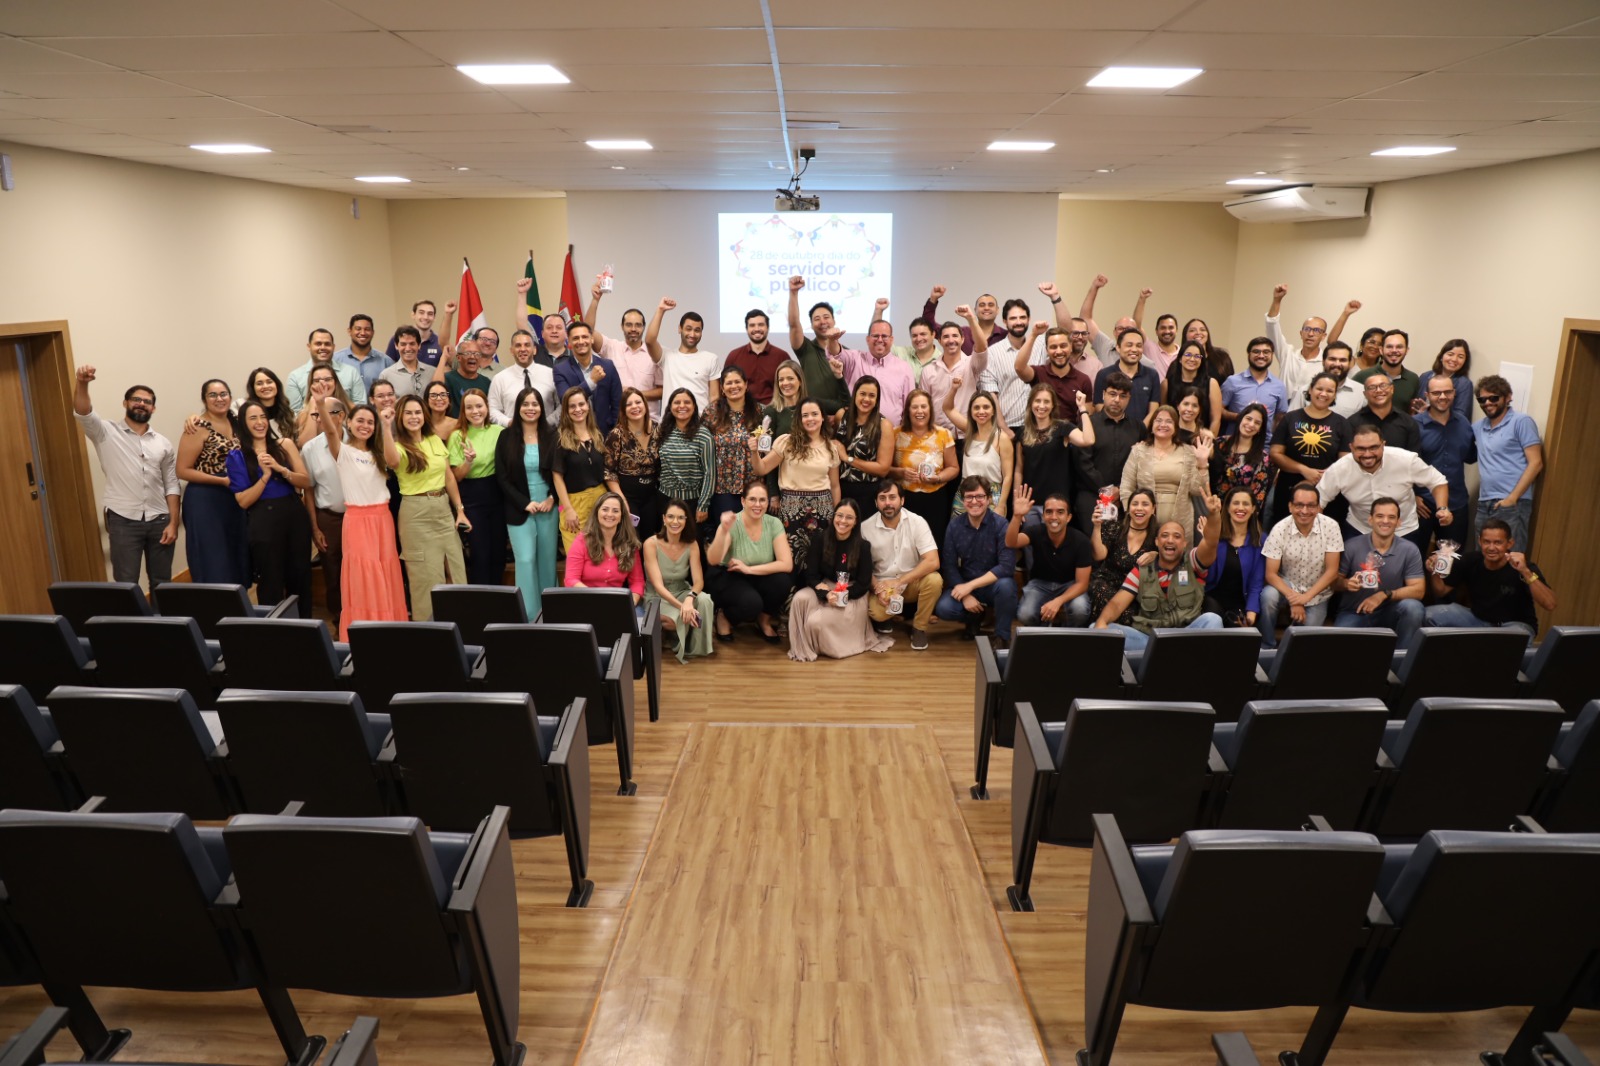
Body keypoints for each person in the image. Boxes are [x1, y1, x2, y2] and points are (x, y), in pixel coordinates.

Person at [73, 366, 180, 591]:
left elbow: (171, 485)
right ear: (125, 403)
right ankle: (132, 617)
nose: (141, 404)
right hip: (123, 521)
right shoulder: (105, 432)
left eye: (147, 401)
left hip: (160, 520)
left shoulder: (162, 443)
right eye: (136, 399)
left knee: (162, 583)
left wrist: (173, 522)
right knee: (126, 583)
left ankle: (161, 615)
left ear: (153, 408)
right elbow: (83, 412)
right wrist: (82, 383)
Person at [314, 394, 406, 639]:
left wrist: (386, 424)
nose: (365, 426)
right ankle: (365, 632)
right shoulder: (342, 451)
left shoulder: (379, 452)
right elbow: (330, 431)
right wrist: (320, 404)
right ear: (349, 423)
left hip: (382, 519)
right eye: (360, 421)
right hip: (357, 520)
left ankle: (389, 629)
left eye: (370, 422)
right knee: (364, 574)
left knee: (385, 571)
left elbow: (395, 461)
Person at [1092, 493, 1224, 653]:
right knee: (1096, 628)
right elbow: (1117, 604)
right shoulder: (1141, 571)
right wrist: (1102, 622)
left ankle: (1178, 658)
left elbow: (1210, 543)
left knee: (1213, 619)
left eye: (1177, 536)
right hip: (1149, 640)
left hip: (1186, 636)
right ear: (1156, 541)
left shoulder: (1192, 562)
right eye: (1164, 536)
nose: (1170, 540)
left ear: (1184, 543)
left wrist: (1214, 514)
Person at [384, 394, 469, 622]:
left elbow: (448, 476)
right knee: (425, 581)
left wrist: (459, 510)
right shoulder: (398, 446)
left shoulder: (434, 440)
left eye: (418, 412)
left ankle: (460, 628)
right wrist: (385, 426)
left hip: (443, 510)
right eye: (408, 413)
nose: (414, 417)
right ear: (400, 417)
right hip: (416, 515)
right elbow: (392, 461)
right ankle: (428, 633)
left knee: (457, 573)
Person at [227, 399, 313, 617]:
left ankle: (305, 627)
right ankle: (274, 629)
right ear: (243, 423)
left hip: (293, 514)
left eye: (263, 417)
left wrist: (281, 470)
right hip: (262, 520)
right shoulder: (237, 456)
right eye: (253, 418)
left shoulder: (284, 445)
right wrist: (265, 477)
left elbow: (305, 481)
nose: (260, 422)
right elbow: (243, 501)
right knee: (270, 579)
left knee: (300, 576)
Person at [785, 497, 893, 661]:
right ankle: (802, 648)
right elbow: (811, 574)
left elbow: (864, 584)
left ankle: (827, 647)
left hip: (852, 593)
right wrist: (825, 593)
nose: (843, 521)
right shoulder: (820, 539)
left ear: (855, 522)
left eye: (849, 517)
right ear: (834, 516)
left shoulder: (863, 546)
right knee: (799, 599)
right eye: (840, 515)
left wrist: (842, 595)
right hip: (826, 586)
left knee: (815, 622)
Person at [1318, 425, 1450, 552]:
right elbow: (1319, 500)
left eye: (1373, 447)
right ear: (1351, 448)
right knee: (1352, 567)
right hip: (1360, 529)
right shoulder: (1339, 469)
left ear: (1383, 445)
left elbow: (1437, 481)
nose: (1367, 454)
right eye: (1361, 449)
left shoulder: (1406, 460)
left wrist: (1442, 508)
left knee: (1405, 567)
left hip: (1403, 530)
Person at [749, 397, 843, 575]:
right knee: (790, 561)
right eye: (805, 415)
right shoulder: (786, 442)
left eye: (814, 414)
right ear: (799, 419)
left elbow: (835, 486)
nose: (810, 419)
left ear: (822, 417)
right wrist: (754, 452)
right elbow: (761, 469)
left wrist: (836, 513)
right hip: (792, 512)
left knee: (818, 561)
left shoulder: (831, 447)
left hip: (823, 512)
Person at [1424, 518, 1554, 639]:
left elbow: (1550, 604)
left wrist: (1525, 572)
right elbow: (1440, 591)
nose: (1491, 548)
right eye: (1486, 542)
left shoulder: (1524, 567)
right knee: (1429, 615)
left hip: (1515, 625)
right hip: (1478, 620)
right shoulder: (1471, 560)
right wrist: (1434, 571)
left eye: (1498, 542)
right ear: (1480, 541)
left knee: (1503, 644)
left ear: (1509, 543)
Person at [175, 378, 248, 585]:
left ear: (230, 397)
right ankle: (214, 603)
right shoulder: (197, 427)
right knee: (213, 558)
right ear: (204, 399)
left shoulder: (237, 421)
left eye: (223, 394)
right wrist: (222, 481)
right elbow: (182, 470)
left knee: (236, 553)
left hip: (235, 497)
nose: (219, 399)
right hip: (205, 499)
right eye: (213, 395)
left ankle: (239, 602)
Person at [494, 387, 559, 619]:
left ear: (541, 408)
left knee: (546, 562)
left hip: (548, 507)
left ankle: (550, 615)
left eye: (535, 404)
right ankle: (529, 617)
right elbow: (502, 477)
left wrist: (552, 498)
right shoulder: (506, 437)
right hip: (519, 508)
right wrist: (524, 503)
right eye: (525, 404)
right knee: (525, 560)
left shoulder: (553, 436)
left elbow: (561, 472)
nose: (530, 408)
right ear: (518, 408)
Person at [934, 476, 1018, 646]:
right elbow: (949, 565)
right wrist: (966, 594)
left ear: (988, 499)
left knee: (1007, 586)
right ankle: (974, 617)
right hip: (966, 581)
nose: (974, 501)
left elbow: (1006, 567)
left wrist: (970, 587)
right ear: (963, 500)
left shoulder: (1001, 525)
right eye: (969, 497)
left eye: (979, 496)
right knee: (944, 608)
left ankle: (1002, 636)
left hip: (993, 585)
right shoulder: (954, 526)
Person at [1258, 481, 1345, 648]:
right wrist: (1295, 600)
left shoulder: (1331, 527)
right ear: (1290, 506)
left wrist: (1306, 597)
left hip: (1318, 592)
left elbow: (1332, 572)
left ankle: (1290, 642)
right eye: (1299, 505)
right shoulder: (1279, 529)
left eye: (1311, 505)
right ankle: (1267, 645)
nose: (1304, 511)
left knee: (1304, 640)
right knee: (1268, 596)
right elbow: (1271, 574)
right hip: (1287, 585)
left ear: (1318, 507)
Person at [706, 480, 793, 643]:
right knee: (751, 604)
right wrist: (723, 530)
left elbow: (786, 564)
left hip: (755, 574)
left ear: (767, 502)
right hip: (729, 576)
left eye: (762, 500)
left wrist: (749, 569)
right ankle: (725, 616)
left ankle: (763, 620)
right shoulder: (732, 522)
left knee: (783, 582)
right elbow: (713, 559)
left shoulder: (774, 523)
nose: (757, 505)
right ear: (743, 501)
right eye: (752, 499)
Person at [1334, 496, 1426, 648]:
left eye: (1391, 517)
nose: (1385, 521)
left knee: (1413, 608)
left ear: (1399, 522)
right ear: (1370, 520)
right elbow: (1333, 582)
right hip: (1354, 612)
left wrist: (1384, 595)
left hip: (1390, 611)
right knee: (1338, 644)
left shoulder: (1409, 549)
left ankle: (1402, 658)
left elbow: (1418, 590)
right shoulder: (1351, 546)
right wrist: (1345, 583)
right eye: (1380, 516)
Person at [860, 479, 942, 650]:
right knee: (876, 613)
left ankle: (919, 628)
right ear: (876, 503)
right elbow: (862, 567)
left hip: (911, 581)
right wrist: (878, 589)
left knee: (934, 580)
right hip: (883, 585)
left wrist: (900, 581)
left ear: (902, 500)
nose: (888, 503)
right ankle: (886, 619)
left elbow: (933, 561)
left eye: (892, 497)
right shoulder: (865, 528)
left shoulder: (917, 522)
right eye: (882, 498)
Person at [1268, 372, 1353, 529]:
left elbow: (1346, 460)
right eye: (1319, 389)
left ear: (1335, 395)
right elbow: (1275, 453)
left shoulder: (1342, 423)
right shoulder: (1290, 418)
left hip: (1328, 490)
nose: (1323, 394)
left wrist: (1322, 476)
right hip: (1289, 488)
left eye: (1329, 391)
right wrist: (1303, 470)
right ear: (1310, 390)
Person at [1470, 374, 1543, 548]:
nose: (1487, 403)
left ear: (1508, 397)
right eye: (1482, 400)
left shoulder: (1521, 421)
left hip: (1513, 503)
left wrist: (1512, 498)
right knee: (1482, 556)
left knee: (1511, 556)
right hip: (1484, 502)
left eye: (1493, 398)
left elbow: (1536, 463)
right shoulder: (1478, 427)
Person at [1006, 485, 1093, 627]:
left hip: (1070, 584)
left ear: (1069, 517)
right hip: (1040, 584)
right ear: (1043, 516)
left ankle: (1067, 635)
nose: (1054, 517)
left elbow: (1082, 584)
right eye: (1049, 512)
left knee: (1080, 610)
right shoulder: (1035, 531)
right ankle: (1043, 633)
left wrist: (1058, 601)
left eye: (1060, 512)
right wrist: (1017, 516)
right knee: (1025, 614)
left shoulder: (1081, 541)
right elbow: (1011, 542)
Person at [1120, 404, 1211, 535]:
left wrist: (1202, 464)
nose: (1163, 424)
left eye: (1169, 421)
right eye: (1158, 420)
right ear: (1152, 426)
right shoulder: (1138, 451)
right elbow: (1126, 487)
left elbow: (1196, 490)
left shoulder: (1188, 451)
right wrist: (1133, 515)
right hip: (1142, 520)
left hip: (1180, 520)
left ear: (1176, 428)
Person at [642, 499, 715, 663]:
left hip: (681, 590)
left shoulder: (692, 544)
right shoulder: (651, 544)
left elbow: (699, 581)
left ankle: (696, 647)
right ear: (664, 519)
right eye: (671, 517)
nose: (675, 522)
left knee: (705, 600)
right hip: (657, 596)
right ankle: (668, 634)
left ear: (686, 520)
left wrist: (689, 599)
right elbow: (658, 586)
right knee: (676, 620)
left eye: (680, 517)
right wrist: (682, 607)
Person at [552, 386, 621, 554]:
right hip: (574, 503)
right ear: (566, 411)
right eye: (572, 406)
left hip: (600, 501)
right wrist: (568, 509)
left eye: (581, 404)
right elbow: (557, 476)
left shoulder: (597, 435)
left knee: (600, 555)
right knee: (576, 555)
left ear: (588, 406)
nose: (578, 409)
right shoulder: (560, 438)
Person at [1413, 372, 1476, 553]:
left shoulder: (1463, 423)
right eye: (1436, 393)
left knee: (1449, 558)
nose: (1442, 397)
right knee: (1415, 556)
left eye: (1447, 392)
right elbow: (1403, 467)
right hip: (1422, 503)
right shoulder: (1414, 426)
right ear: (1427, 395)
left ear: (1454, 393)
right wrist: (1412, 495)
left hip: (1456, 502)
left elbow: (1470, 456)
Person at [448, 389, 506, 585]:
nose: (475, 411)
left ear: (487, 408)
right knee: (481, 555)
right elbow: (456, 476)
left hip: (497, 495)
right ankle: (481, 600)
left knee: (498, 553)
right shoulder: (458, 436)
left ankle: (499, 597)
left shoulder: (498, 431)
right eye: (469, 407)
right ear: (463, 411)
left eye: (479, 406)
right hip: (472, 498)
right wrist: (468, 462)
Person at [1264, 284, 1359, 404]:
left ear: (1323, 336)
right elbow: (1272, 326)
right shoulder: (1288, 354)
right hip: (1283, 410)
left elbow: (1333, 342)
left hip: (1312, 410)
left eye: (1317, 330)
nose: (1310, 334)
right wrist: (1277, 300)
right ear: (1301, 333)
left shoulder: (1326, 362)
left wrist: (1345, 314)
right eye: (1307, 329)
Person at [1015, 383, 1093, 528]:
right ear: (1031, 404)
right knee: (1029, 542)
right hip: (1029, 504)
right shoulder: (1022, 432)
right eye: (1037, 401)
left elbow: (1088, 440)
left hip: (1057, 505)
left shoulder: (1063, 428)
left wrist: (1082, 408)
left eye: (1046, 402)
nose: (1041, 406)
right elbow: (1019, 470)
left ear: (1053, 406)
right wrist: (1017, 500)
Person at [299, 394, 347, 626]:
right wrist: (315, 527)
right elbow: (308, 490)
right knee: (333, 572)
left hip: (359, 517)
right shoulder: (310, 449)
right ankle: (339, 620)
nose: (319, 420)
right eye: (316, 415)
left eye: (324, 414)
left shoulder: (359, 440)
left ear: (341, 416)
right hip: (329, 518)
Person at [1074, 371, 1141, 536]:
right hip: (1091, 496)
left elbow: (1141, 465)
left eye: (1123, 396)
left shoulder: (1138, 428)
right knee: (1094, 544)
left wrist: (1120, 490)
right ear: (1103, 394)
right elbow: (1083, 464)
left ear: (1129, 398)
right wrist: (1107, 492)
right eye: (1112, 394)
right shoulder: (1088, 424)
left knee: (1122, 544)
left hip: (1125, 497)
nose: (1117, 400)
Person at [892, 389, 959, 553]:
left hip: (935, 498)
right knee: (906, 545)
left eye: (924, 406)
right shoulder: (895, 434)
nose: (919, 411)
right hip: (905, 498)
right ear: (908, 410)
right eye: (915, 407)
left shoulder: (943, 434)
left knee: (934, 543)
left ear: (930, 409)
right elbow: (885, 469)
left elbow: (954, 468)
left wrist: (938, 477)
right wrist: (901, 472)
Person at [587, 284, 663, 420]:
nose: (633, 329)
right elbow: (587, 331)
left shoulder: (655, 354)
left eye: (638, 325)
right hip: (618, 421)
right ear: (622, 326)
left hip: (649, 421)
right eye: (629, 325)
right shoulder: (611, 347)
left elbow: (662, 391)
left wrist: (633, 394)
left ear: (644, 327)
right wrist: (595, 300)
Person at [1088, 487, 1157, 630]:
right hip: (1106, 583)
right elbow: (1099, 555)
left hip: (1133, 592)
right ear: (1128, 508)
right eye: (1135, 504)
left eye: (1145, 504)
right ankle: (1099, 634)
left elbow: (1173, 557)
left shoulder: (1158, 535)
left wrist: (1156, 555)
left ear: (1153, 509)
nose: (1139, 508)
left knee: (1131, 613)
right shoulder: (1115, 527)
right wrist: (1097, 527)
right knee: (1101, 593)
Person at [564, 491, 645, 608]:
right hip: (585, 602)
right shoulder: (582, 541)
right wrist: (599, 600)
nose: (610, 514)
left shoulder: (630, 544)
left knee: (640, 618)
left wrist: (630, 603)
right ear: (597, 512)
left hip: (617, 604)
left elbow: (637, 582)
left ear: (621, 517)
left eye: (615, 511)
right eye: (605, 509)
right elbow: (571, 580)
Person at [832, 311, 915, 424]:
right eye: (875, 336)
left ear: (891, 339)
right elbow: (835, 352)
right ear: (867, 339)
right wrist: (832, 340)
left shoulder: (904, 368)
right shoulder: (854, 359)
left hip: (892, 432)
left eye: (884, 336)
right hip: (855, 431)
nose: (880, 340)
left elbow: (910, 405)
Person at [785, 276, 851, 417]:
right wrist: (793, 293)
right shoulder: (805, 348)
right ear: (811, 325)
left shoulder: (846, 353)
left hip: (840, 416)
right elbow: (794, 324)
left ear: (834, 320)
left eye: (826, 317)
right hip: (810, 416)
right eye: (817, 319)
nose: (822, 322)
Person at [943, 387, 1012, 516]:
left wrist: (1001, 505)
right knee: (959, 529)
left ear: (993, 410)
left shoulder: (1001, 438)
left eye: (986, 407)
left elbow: (1008, 476)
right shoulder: (969, 431)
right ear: (971, 411)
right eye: (976, 407)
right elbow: (948, 408)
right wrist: (953, 388)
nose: (981, 411)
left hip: (991, 496)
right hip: (965, 494)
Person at [646, 298, 723, 413]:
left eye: (697, 330)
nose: (692, 334)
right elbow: (649, 341)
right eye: (688, 329)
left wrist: (709, 422)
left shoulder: (711, 359)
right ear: (680, 329)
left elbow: (714, 397)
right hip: (670, 422)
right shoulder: (667, 356)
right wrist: (660, 310)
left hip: (699, 421)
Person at [705, 366, 759, 530]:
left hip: (753, 487)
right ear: (722, 388)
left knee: (750, 535)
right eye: (729, 383)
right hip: (722, 487)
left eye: (737, 382)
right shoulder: (712, 412)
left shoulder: (760, 412)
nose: (733, 386)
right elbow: (703, 447)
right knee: (727, 534)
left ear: (746, 384)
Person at [1206, 487, 1266, 631]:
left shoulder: (1261, 540)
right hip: (1212, 599)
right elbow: (1203, 573)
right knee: (1213, 619)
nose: (1240, 508)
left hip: (1240, 604)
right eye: (1236, 503)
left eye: (1246, 504)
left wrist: (1250, 616)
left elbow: (1256, 583)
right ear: (1227, 508)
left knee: (1239, 633)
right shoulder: (1214, 535)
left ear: (1253, 509)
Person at [603, 386, 660, 539]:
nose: (635, 407)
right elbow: (608, 471)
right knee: (632, 540)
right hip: (627, 497)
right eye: (629, 404)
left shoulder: (658, 429)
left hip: (651, 496)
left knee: (649, 539)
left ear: (645, 405)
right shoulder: (616, 435)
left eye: (638, 402)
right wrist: (621, 500)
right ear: (623, 410)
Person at [835, 376, 896, 515]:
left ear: (877, 400)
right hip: (840, 489)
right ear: (855, 394)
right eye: (862, 394)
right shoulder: (841, 416)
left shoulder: (884, 425)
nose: (866, 399)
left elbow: (883, 469)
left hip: (868, 492)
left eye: (872, 395)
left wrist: (848, 459)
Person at [655, 388, 715, 526]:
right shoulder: (662, 431)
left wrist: (703, 505)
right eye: (677, 402)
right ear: (670, 407)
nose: (682, 406)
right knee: (666, 538)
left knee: (691, 539)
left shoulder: (703, 435)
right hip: (665, 499)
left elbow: (710, 473)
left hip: (693, 502)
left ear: (694, 406)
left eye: (687, 402)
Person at [1014, 322, 1094, 423]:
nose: (1059, 351)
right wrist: (1034, 335)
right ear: (1047, 350)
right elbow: (1019, 367)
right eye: (1053, 347)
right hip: (1040, 431)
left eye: (1063, 346)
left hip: (1071, 431)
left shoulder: (1083, 380)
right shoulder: (1038, 373)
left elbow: (1087, 416)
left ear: (1070, 347)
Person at [552, 321, 623, 433]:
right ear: (569, 342)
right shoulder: (560, 370)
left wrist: (614, 428)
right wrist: (591, 381)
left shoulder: (608, 366)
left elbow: (618, 402)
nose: (581, 342)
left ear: (592, 339)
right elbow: (566, 399)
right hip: (575, 433)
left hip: (606, 432)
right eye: (576, 338)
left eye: (584, 337)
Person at [921, 319, 986, 438]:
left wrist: (970, 318)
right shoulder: (928, 370)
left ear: (962, 339)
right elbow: (924, 404)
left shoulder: (972, 363)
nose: (951, 340)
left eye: (955, 336)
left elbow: (982, 348)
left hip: (968, 434)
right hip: (939, 436)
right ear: (939, 341)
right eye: (946, 337)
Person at [1221, 336, 1290, 440]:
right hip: (1234, 442)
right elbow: (1218, 410)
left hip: (1265, 444)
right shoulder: (1232, 381)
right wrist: (1240, 417)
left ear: (1272, 355)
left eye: (1266, 352)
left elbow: (1280, 417)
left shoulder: (1279, 386)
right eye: (1256, 352)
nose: (1261, 355)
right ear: (1249, 354)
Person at [1210, 402, 1273, 514]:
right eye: (1248, 419)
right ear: (1240, 419)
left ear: (1260, 429)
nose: (1251, 424)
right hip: (1212, 508)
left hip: (1240, 513)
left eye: (1257, 423)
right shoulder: (1220, 443)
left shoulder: (1262, 458)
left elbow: (1258, 497)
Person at [488, 327, 557, 429]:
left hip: (547, 433)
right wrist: (509, 422)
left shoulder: (551, 374)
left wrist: (547, 423)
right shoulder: (499, 379)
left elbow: (561, 405)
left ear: (534, 350)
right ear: (511, 351)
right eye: (518, 345)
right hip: (513, 433)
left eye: (527, 345)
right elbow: (492, 409)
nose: (523, 349)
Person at [1093, 327, 1162, 426]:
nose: (1134, 349)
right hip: (1111, 431)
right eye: (1129, 345)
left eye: (1139, 346)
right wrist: (1118, 430)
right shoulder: (1104, 374)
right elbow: (1099, 406)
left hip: (1143, 433)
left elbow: (1153, 410)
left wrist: (1140, 430)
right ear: (1118, 347)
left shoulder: (1152, 375)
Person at [285, 327, 365, 411]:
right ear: (309, 346)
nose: (323, 347)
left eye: (327, 344)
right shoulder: (295, 377)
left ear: (333, 347)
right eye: (318, 344)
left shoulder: (351, 372)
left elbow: (360, 408)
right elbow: (294, 413)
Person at [723, 308, 791, 405]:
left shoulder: (782, 356)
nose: (757, 329)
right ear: (746, 329)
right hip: (743, 411)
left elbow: (789, 389)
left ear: (768, 328)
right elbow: (725, 388)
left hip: (774, 410)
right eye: (752, 325)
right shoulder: (734, 356)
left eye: (761, 325)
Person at [1161, 340, 1222, 436]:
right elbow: (1163, 413)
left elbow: (1216, 419)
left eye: (1197, 356)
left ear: (1201, 360)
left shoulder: (1211, 383)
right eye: (1188, 355)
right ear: (1180, 358)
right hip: (1172, 437)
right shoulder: (1167, 383)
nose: (1192, 359)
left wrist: (1208, 440)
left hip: (1201, 436)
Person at [1348, 373, 1421, 452]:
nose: (1378, 390)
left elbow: (1414, 456)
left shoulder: (1408, 422)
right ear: (1365, 394)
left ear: (1392, 389)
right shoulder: (1352, 423)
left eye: (1383, 386)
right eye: (1372, 387)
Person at [1352, 329, 1422, 411]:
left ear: (1407, 350)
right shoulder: (1362, 376)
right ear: (1381, 350)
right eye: (1389, 347)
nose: (1394, 350)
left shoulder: (1413, 379)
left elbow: (1412, 412)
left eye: (1399, 347)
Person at [923, 284, 1003, 355]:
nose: (986, 308)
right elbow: (929, 327)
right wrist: (933, 299)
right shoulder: (963, 333)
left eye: (991, 305)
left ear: (997, 310)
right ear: (975, 310)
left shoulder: (1005, 335)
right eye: (982, 305)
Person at [431, 334, 491, 418]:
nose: (472, 356)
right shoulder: (448, 378)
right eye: (467, 353)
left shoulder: (486, 382)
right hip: (453, 424)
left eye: (477, 354)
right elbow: (435, 389)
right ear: (459, 358)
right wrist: (444, 357)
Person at [1417, 338, 1474, 423]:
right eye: (1450, 354)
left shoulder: (1464, 384)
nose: (1454, 359)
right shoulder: (1425, 376)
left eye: (1460, 357)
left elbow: (1461, 416)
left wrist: (1429, 412)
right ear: (1441, 356)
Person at [294, 364, 353, 446]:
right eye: (317, 381)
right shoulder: (304, 413)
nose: (323, 384)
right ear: (311, 385)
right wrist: (313, 403)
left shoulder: (350, 408)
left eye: (328, 379)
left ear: (335, 383)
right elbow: (305, 445)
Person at [334, 313, 391, 396]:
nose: (363, 333)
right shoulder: (336, 360)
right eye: (358, 329)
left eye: (367, 329)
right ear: (349, 331)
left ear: (373, 332)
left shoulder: (386, 361)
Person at [384, 299, 443, 366]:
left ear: (434, 317)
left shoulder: (440, 342)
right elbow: (388, 367)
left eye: (430, 314)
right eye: (421, 313)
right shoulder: (398, 338)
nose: (425, 317)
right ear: (413, 315)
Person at [378, 326, 432, 401]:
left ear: (419, 345)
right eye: (403, 344)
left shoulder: (432, 372)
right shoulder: (386, 375)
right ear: (396, 346)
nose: (408, 348)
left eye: (412, 344)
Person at [244, 367, 297, 441]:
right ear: (253, 388)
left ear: (276, 385)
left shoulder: (289, 413)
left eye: (269, 382)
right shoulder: (248, 415)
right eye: (259, 383)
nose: (265, 386)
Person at [1320, 341, 1366, 419]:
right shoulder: (1306, 390)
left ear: (1350, 363)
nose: (1337, 364)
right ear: (1323, 361)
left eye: (1343, 360)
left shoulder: (1362, 393)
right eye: (1332, 359)